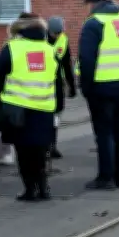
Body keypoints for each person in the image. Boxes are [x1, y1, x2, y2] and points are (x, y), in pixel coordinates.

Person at [0, 13, 64, 201]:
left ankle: (30, 189)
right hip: (44, 108)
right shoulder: (50, 49)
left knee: (23, 151)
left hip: (18, 109)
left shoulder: (12, 48)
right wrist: (59, 104)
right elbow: (58, 80)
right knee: (41, 151)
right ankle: (44, 188)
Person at [78, 0, 119, 190]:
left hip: (102, 87)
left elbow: (87, 60)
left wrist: (86, 87)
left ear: (94, 4)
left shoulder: (93, 24)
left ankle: (106, 177)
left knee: (104, 133)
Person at [46, 16, 77, 159]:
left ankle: (53, 145)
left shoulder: (63, 39)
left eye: (59, 33)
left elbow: (67, 63)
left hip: (58, 82)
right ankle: (45, 146)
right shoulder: (41, 39)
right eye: (54, 33)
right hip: (43, 83)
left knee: (56, 115)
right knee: (45, 116)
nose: (57, 36)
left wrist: (72, 85)